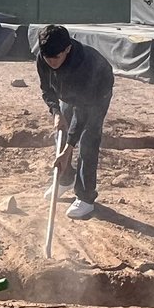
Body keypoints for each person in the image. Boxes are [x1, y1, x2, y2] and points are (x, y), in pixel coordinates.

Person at [35, 24, 115, 220]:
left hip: (96, 94)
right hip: (68, 95)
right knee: (61, 133)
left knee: (87, 141)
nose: (51, 62)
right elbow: (46, 88)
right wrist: (56, 112)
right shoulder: (43, 57)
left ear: (68, 49)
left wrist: (68, 149)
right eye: (47, 58)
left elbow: (83, 113)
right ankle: (65, 179)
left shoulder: (86, 66)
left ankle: (86, 197)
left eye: (56, 57)